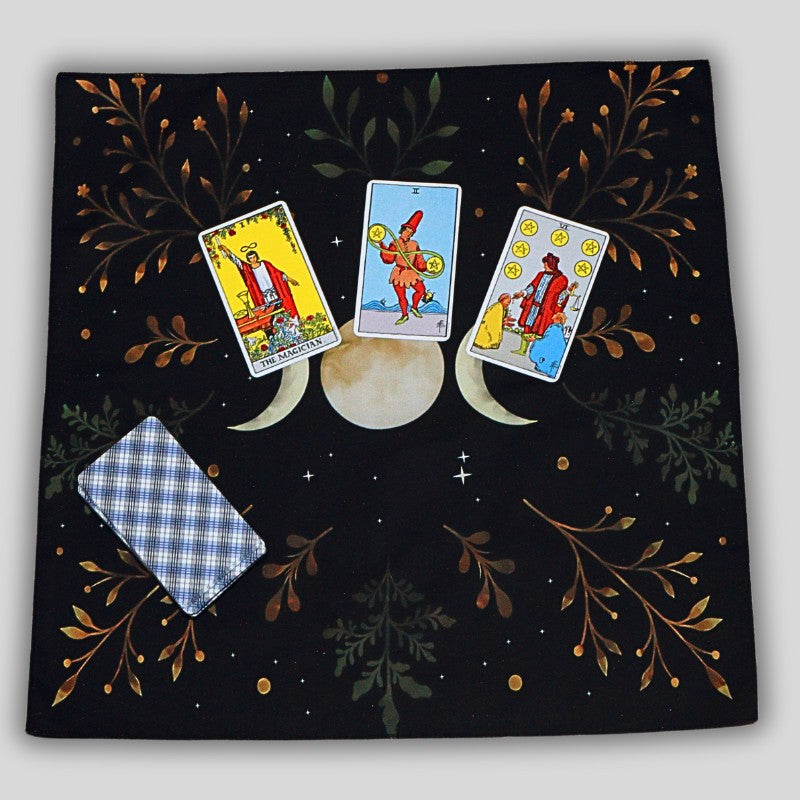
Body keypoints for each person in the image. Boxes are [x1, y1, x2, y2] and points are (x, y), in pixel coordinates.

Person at [217, 240, 300, 319]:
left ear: (256, 257)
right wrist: (226, 250)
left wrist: (290, 279)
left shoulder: (265, 264)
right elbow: (237, 261)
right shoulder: (248, 269)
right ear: (248, 259)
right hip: (263, 297)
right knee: (271, 315)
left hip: (276, 293)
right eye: (250, 258)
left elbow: (278, 274)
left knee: (282, 311)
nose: (253, 259)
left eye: (254, 257)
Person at [512, 252, 569, 356]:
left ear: (551, 264)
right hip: (533, 306)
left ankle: (537, 353)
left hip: (546, 310)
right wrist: (523, 293)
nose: (544, 266)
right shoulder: (540, 274)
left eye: (546, 264)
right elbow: (532, 286)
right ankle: (522, 350)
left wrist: (566, 293)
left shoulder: (562, 279)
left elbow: (561, 296)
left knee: (541, 329)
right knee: (528, 325)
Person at [377, 210, 428, 325]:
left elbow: (419, 260)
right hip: (399, 273)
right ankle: (404, 315)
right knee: (402, 296)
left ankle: (414, 307)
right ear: (403, 230)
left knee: (421, 290)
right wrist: (381, 244)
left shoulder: (414, 244)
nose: (409, 234)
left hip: (411, 273)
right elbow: (389, 258)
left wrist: (428, 267)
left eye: (411, 232)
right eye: (407, 231)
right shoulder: (395, 243)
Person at [528, 312, 568, 378]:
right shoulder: (557, 328)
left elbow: (547, 342)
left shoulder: (555, 328)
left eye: (556, 314)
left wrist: (535, 340)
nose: (554, 315)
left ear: (558, 319)